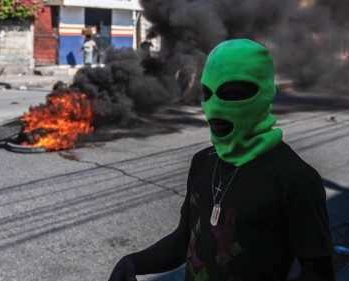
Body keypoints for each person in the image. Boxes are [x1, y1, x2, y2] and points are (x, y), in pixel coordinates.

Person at [109, 39, 334, 281]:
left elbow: (318, 272)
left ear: (264, 94)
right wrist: (132, 262)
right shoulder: (203, 162)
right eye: (207, 94)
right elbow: (185, 239)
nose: (215, 108)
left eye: (232, 94)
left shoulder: (296, 179)